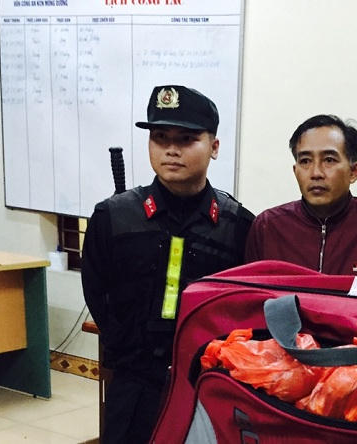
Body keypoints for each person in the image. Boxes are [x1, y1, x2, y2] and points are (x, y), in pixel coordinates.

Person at [81, 85, 254, 443]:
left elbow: (243, 308)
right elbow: (96, 288)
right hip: (134, 384)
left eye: (187, 139)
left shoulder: (237, 225)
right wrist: (124, 346)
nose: (171, 150)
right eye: (160, 138)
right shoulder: (114, 216)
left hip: (205, 384)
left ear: (214, 147)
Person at [245, 114, 357, 278]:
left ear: (353, 171)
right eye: (305, 161)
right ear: (295, 171)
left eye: (329, 160)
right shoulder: (268, 227)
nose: (316, 173)